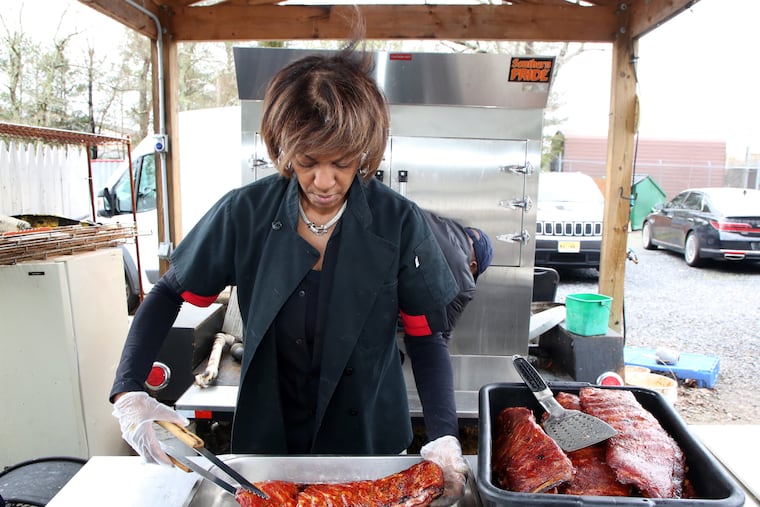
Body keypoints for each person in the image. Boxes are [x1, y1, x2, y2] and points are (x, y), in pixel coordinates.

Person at [109, 42, 469, 504]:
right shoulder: (245, 212)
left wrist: (442, 434)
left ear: (366, 151)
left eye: (341, 163)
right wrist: (129, 393)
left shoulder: (398, 222)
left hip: (368, 444)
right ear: (284, 149)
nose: (323, 181)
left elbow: (425, 335)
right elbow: (167, 294)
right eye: (307, 161)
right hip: (267, 440)